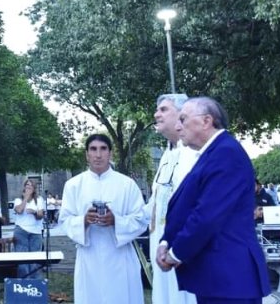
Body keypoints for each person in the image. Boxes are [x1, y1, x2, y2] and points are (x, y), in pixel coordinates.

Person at [157, 96, 270, 304]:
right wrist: (166, 240)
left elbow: (207, 215)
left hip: (230, 276)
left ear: (206, 121)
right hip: (217, 276)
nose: (178, 125)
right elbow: (185, 206)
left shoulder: (226, 153)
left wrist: (176, 253)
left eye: (183, 118)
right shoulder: (211, 154)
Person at [59, 134, 149, 304]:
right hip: (89, 256)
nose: (98, 155)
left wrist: (116, 221)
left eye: (103, 149)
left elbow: (141, 219)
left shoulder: (126, 184)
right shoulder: (73, 185)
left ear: (110, 153)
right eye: (93, 149)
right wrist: (84, 220)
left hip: (119, 256)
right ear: (87, 154)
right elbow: (64, 220)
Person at [148, 93, 197, 304]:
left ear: (181, 114)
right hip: (160, 245)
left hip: (184, 247)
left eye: (163, 109)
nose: (156, 114)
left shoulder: (194, 153)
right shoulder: (166, 155)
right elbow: (155, 204)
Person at [13, 177, 46, 279]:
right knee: (22, 259)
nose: (29, 187)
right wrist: (25, 198)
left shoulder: (39, 200)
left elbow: (40, 215)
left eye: (31, 186)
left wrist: (34, 212)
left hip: (35, 232)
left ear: (34, 189)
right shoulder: (18, 200)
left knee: (35, 259)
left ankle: (35, 283)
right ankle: (24, 283)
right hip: (21, 231)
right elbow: (19, 210)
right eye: (27, 185)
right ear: (24, 187)